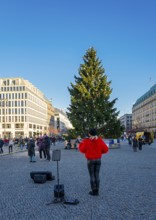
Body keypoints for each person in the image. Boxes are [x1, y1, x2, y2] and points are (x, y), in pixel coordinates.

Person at [79, 128, 109, 196]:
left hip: (90, 160)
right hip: (98, 159)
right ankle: (97, 191)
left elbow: (82, 150)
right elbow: (106, 149)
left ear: (89, 134)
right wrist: (99, 152)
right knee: (97, 175)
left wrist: (81, 143)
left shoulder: (86, 141)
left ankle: (93, 191)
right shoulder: (99, 140)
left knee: (92, 175)